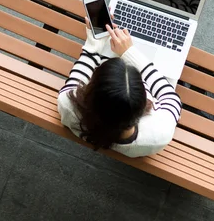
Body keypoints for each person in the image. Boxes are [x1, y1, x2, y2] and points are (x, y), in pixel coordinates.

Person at [57, 18, 182, 158]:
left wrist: (94, 44)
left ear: (90, 91)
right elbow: (171, 97)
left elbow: (75, 81)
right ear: (142, 106)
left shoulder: (68, 107)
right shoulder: (157, 134)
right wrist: (130, 52)